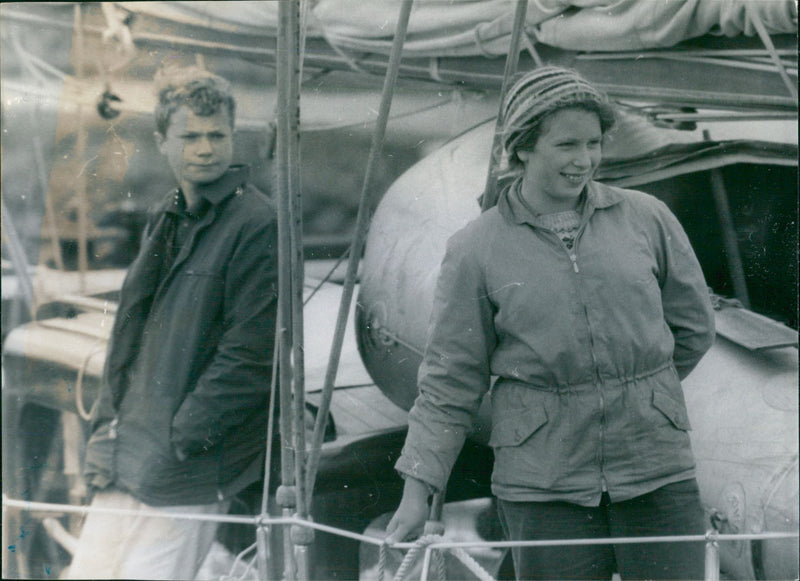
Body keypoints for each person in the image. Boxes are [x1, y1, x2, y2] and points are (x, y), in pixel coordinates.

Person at [385, 65, 716, 580]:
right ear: (521, 148)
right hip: (543, 486)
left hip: (656, 470)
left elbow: (694, 327)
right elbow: (450, 381)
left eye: (593, 143)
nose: (584, 160)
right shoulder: (475, 250)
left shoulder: (647, 219)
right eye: (566, 145)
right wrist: (416, 492)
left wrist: (642, 394)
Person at [67, 65, 278, 580]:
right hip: (130, 443)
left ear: (233, 137)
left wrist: (182, 435)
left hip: (189, 460)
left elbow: (248, 356)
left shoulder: (256, 225)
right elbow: (129, 335)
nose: (205, 148)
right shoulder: (169, 213)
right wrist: (111, 428)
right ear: (162, 141)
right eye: (190, 136)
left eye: (217, 135)